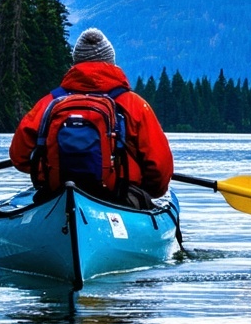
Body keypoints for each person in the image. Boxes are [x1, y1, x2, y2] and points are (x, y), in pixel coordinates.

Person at [10, 28, 173, 207]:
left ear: (75, 62)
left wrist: (47, 172)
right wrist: (146, 189)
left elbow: (19, 156)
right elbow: (160, 167)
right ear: (111, 62)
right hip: (120, 196)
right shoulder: (134, 105)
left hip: (58, 194)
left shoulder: (48, 103)